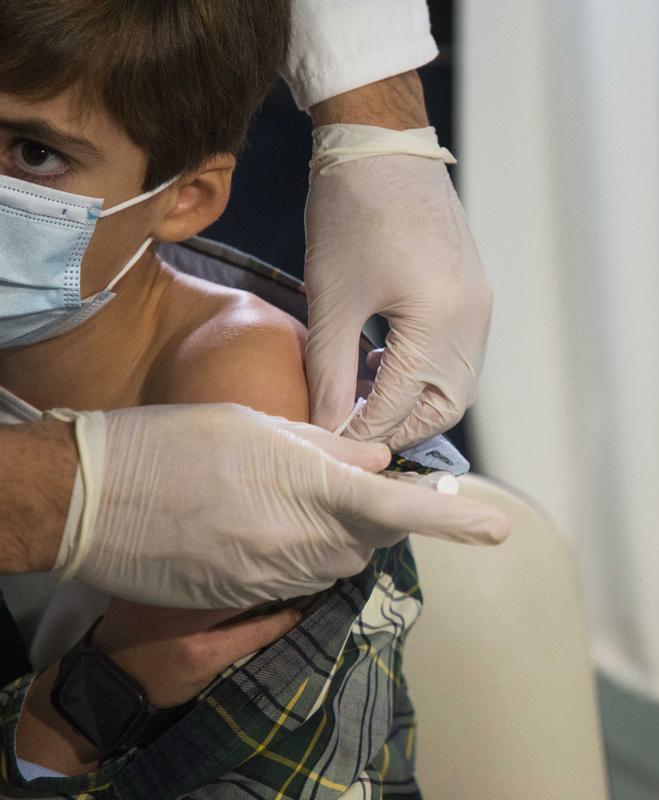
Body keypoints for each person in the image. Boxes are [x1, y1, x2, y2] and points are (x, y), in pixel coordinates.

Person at [0, 1, 494, 795]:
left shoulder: (237, 381)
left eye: (34, 153)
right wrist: (55, 734)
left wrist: (379, 121)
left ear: (188, 197)